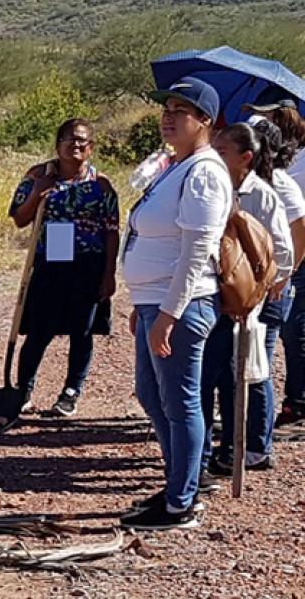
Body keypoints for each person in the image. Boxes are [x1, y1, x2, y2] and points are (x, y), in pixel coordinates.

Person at [120, 77, 232, 530]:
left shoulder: (204, 171)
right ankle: (177, 484)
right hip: (156, 302)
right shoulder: (177, 166)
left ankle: (182, 500)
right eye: (166, 108)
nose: (169, 117)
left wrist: (168, 312)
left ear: (205, 121)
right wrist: (145, 302)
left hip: (181, 306)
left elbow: (196, 248)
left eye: (181, 110)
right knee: (152, 394)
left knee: (182, 402)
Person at [9, 118, 119, 417]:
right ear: (57, 145)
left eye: (82, 140)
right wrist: (38, 193)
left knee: (81, 331)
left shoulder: (101, 184)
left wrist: (109, 273)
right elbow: (20, 218)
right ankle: (23, 389)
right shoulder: (38, 175)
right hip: (52, 259)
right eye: (69, 139)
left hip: (88, 262)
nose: (76, 145)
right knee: (39, 330)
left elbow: (111, 230)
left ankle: (71, 391)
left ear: (91, 148)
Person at [202, 123, 293, 476]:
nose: (215, 158)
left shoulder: (263, 195)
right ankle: (211, 451)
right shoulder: (210, 188)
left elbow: (283, 252)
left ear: (246, 159)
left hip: (251, 302)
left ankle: (248, 447)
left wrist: (258, 290)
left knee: (248, 373)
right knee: (213, 373)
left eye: (222, 153)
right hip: (216, 297)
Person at [243, 87, 305, 428]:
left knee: (288, 337)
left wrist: (287, 272)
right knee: (262, 347)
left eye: (266, 113)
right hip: (265, 268)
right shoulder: (268, 172)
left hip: (288, 266)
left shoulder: (285, 178)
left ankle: (292, 404)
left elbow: (298, 228)